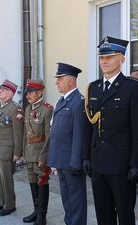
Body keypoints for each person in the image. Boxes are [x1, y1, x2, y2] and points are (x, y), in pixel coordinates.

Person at [83, 36, 138, 225]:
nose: (104, 61)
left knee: (125, 214)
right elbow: (89, 129)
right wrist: (86, 157)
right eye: (101, 58)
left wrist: (135, 164)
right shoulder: (94, 88)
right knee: (103, 214)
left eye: (110, 57)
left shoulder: (132, 88)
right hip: (98, 164)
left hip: (122, 167)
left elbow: (136, 130)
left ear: (122, 59)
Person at [47, 63, 87, 225]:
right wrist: (53, 160)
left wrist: (77, 163)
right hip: (61, 159)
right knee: (66, 198)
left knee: (76, 200)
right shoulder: (62, 101)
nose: (57, 82)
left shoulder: (78, 102)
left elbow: (80, 135)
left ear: (71, 80)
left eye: (60, 79)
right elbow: (56, 132)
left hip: (72, 162)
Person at [0, 79, 24, 217]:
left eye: (3, 90)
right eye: (0, 90)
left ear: (11, 93)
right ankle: (1, 201)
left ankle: (9, 205)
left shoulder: (15, 108)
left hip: (6, 150)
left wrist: (17, 153)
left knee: (6, 179)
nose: (0, 92)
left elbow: (18, 133)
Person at [23, 79, 53, 225]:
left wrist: (44, 156)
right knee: (32, 181)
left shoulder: (47, 110)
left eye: (30, 92)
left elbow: (49, 136)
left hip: (40, 153)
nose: (27, 95)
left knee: (42, 182)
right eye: (27, 92)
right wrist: (24, 153)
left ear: (39, 92)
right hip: (29, 153)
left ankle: (42, 216)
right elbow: (25, 134)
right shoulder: (28, 109)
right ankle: (36, 211)